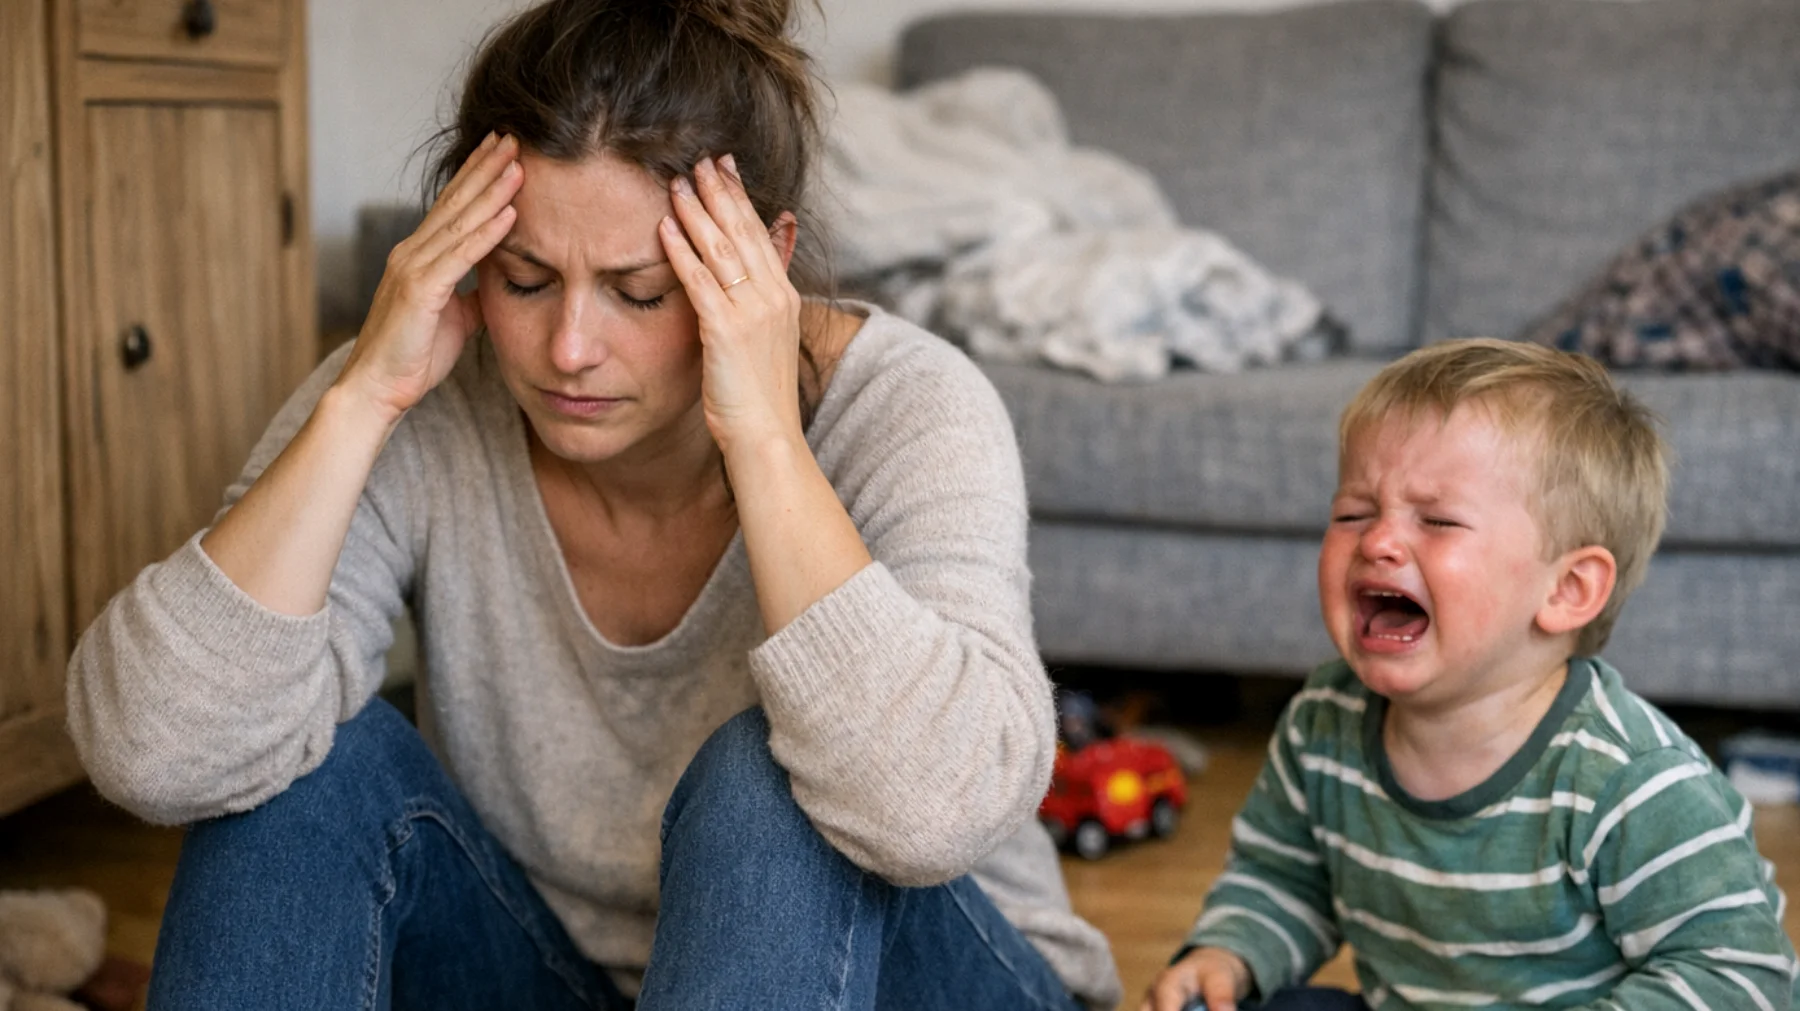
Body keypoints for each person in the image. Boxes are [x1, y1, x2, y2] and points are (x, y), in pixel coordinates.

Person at [62, 1, 1122, 1007]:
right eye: (524, 280)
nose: (570, 350)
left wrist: (761, 434)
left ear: (765, 265)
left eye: (641, 293)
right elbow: (152, 756)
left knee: (772, 780)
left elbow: (933, 817)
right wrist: (360, 402)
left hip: (931, 977)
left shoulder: (914, 405)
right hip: (563, 975)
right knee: (289, 760)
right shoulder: (426, 384)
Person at [1143, 339, 1797, 1011]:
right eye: (1353, 513)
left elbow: (1742, 974)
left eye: (1437, 520)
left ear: (1568, 588)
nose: (1377, 541)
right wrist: (1228, 950)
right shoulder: (1322, 720)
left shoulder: (1631, 780)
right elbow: (1281, 878)